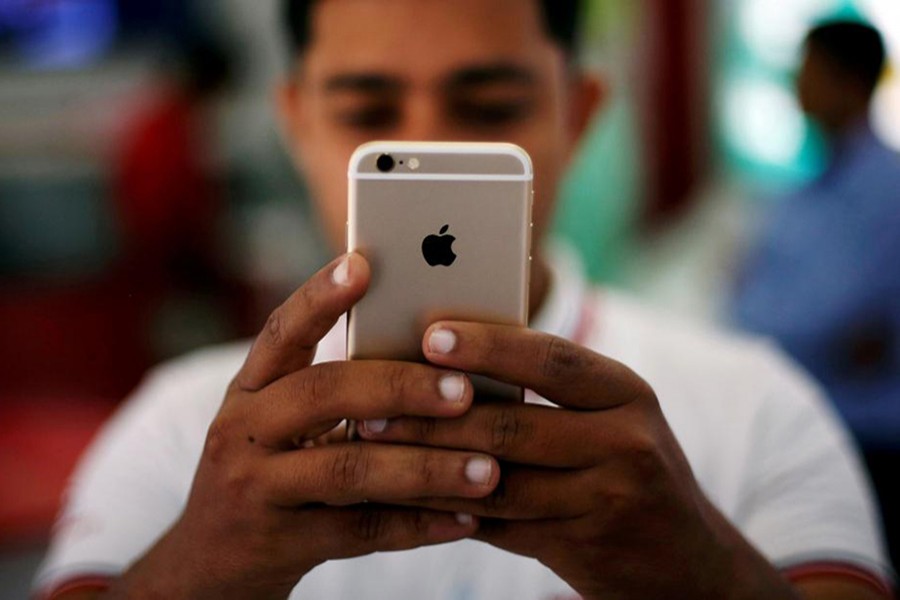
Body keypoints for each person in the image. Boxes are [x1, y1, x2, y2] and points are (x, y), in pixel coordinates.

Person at [35, 2, 893, 598]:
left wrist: (701, 579)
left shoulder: (760, 407)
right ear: (296, 122)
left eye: (489, 107)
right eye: (368, 108)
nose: (428, 146)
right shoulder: (183, 430)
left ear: (580, 115)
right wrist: (202, 569)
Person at [731, 20, 900, 569]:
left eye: (807, 69)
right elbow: (740, 298)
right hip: (804, 422)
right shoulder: (803, 189)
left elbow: (837, 320)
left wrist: (763, 318)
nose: (795, 84)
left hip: (868, 442)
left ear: (848, 81)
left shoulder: (886, 190)